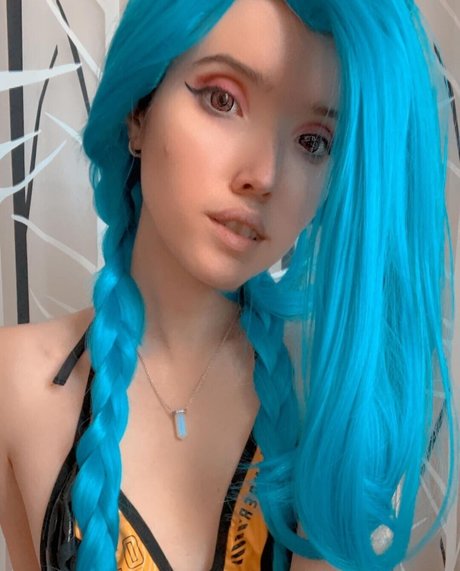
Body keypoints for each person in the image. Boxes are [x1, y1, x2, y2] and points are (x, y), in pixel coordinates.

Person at [0, 0, 458, 570]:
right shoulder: (14, 381)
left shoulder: (336, 400)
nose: (264, 176)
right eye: (223, 100)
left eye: (313, 142)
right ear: (139, 112)